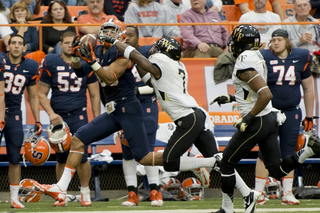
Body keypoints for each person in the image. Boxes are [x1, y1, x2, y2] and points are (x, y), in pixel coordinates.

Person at [211, 24, 320, 213]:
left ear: (241, 42)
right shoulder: (258, 56)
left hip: (258, 120)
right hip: (269, 119)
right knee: (276, 170)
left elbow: (265, 94)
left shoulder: (245, 59)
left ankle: (228, 208)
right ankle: (307, 152)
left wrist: (247, 118)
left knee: (226, 163)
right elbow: (251, 91)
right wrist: (230, 98)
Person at [37, 31, 101, 207]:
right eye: (65, 42)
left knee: (82, 156)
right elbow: (41, 94)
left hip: (79, 114)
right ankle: (61, 193)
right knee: (61, 158)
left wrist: (97, 121)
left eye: (71, 43)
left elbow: (95, 95)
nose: (68, 45)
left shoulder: (86, 63)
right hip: (58, 117)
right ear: (60, 44)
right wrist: (50, 113)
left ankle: (85, 192)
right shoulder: (51, 61)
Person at [253, 29, 315, 206]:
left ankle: (287, 192)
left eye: (279, 39)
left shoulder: (302, 56)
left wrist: (309, 116)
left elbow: (308, 89)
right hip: (269, 112)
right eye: (272, 40)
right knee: (264, 152)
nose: (275, 43)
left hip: (291, 111)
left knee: (289, 152)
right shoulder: (263, 56)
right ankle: (258, 192)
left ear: (287, 41)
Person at [119, 25, 162, 207]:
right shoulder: (118, 57)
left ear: (138, 38)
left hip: (147, 104)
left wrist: (134, 90)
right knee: (127, 151)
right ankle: (132, 193)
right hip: (126, 105)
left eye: (131, 35)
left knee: (148, 149)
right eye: (124, 35)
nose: (127, 38)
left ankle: (155, 191)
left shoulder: (147, 54)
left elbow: (156, 84)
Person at [0, 35, 42, 209]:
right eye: (13, 43)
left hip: (15, 115)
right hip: (0, 112)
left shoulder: (31, 66)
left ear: (25, 48)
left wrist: (38, 120)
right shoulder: (1, 60)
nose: (16, 46)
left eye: (20, 44)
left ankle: (14, 198)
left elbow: (32, 96)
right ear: (8, 47)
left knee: (15, 158)